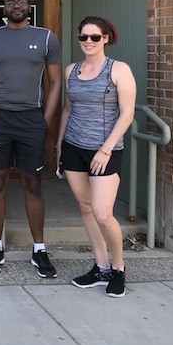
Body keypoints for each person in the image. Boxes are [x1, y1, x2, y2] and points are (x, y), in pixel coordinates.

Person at [0, 0, 62, 277]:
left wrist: (44, 121)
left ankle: (39, 250)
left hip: (31, 119)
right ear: (3, 8)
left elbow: (55, 83)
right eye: (10, 2)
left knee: (33, 183)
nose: (16, 5)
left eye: (21, 1)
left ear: (28, 6)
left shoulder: (46, 38)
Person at [57, 17, 136, 297]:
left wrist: (106, 149)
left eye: (94, 37)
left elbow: (127, 113)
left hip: (105, 150)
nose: (87, 42)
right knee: (86, 208)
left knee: (103, 213)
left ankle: (118, 268)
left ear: (105, 38)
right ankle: (100, 266)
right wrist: (58, 146)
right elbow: (67, 109)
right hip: (73, 147)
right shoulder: (71, 70)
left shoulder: (119, 70)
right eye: (83, 37)